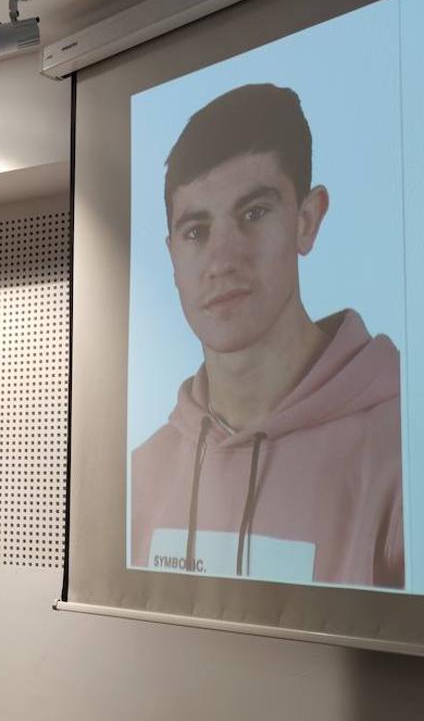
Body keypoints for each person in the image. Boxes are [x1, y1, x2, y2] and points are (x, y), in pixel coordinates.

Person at [131, 83, 403, 588]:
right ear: (171, 254)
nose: (222, 260)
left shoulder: (402, 453)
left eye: (254, 213)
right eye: (196, 231)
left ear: (307, 220)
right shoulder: (140, 473)